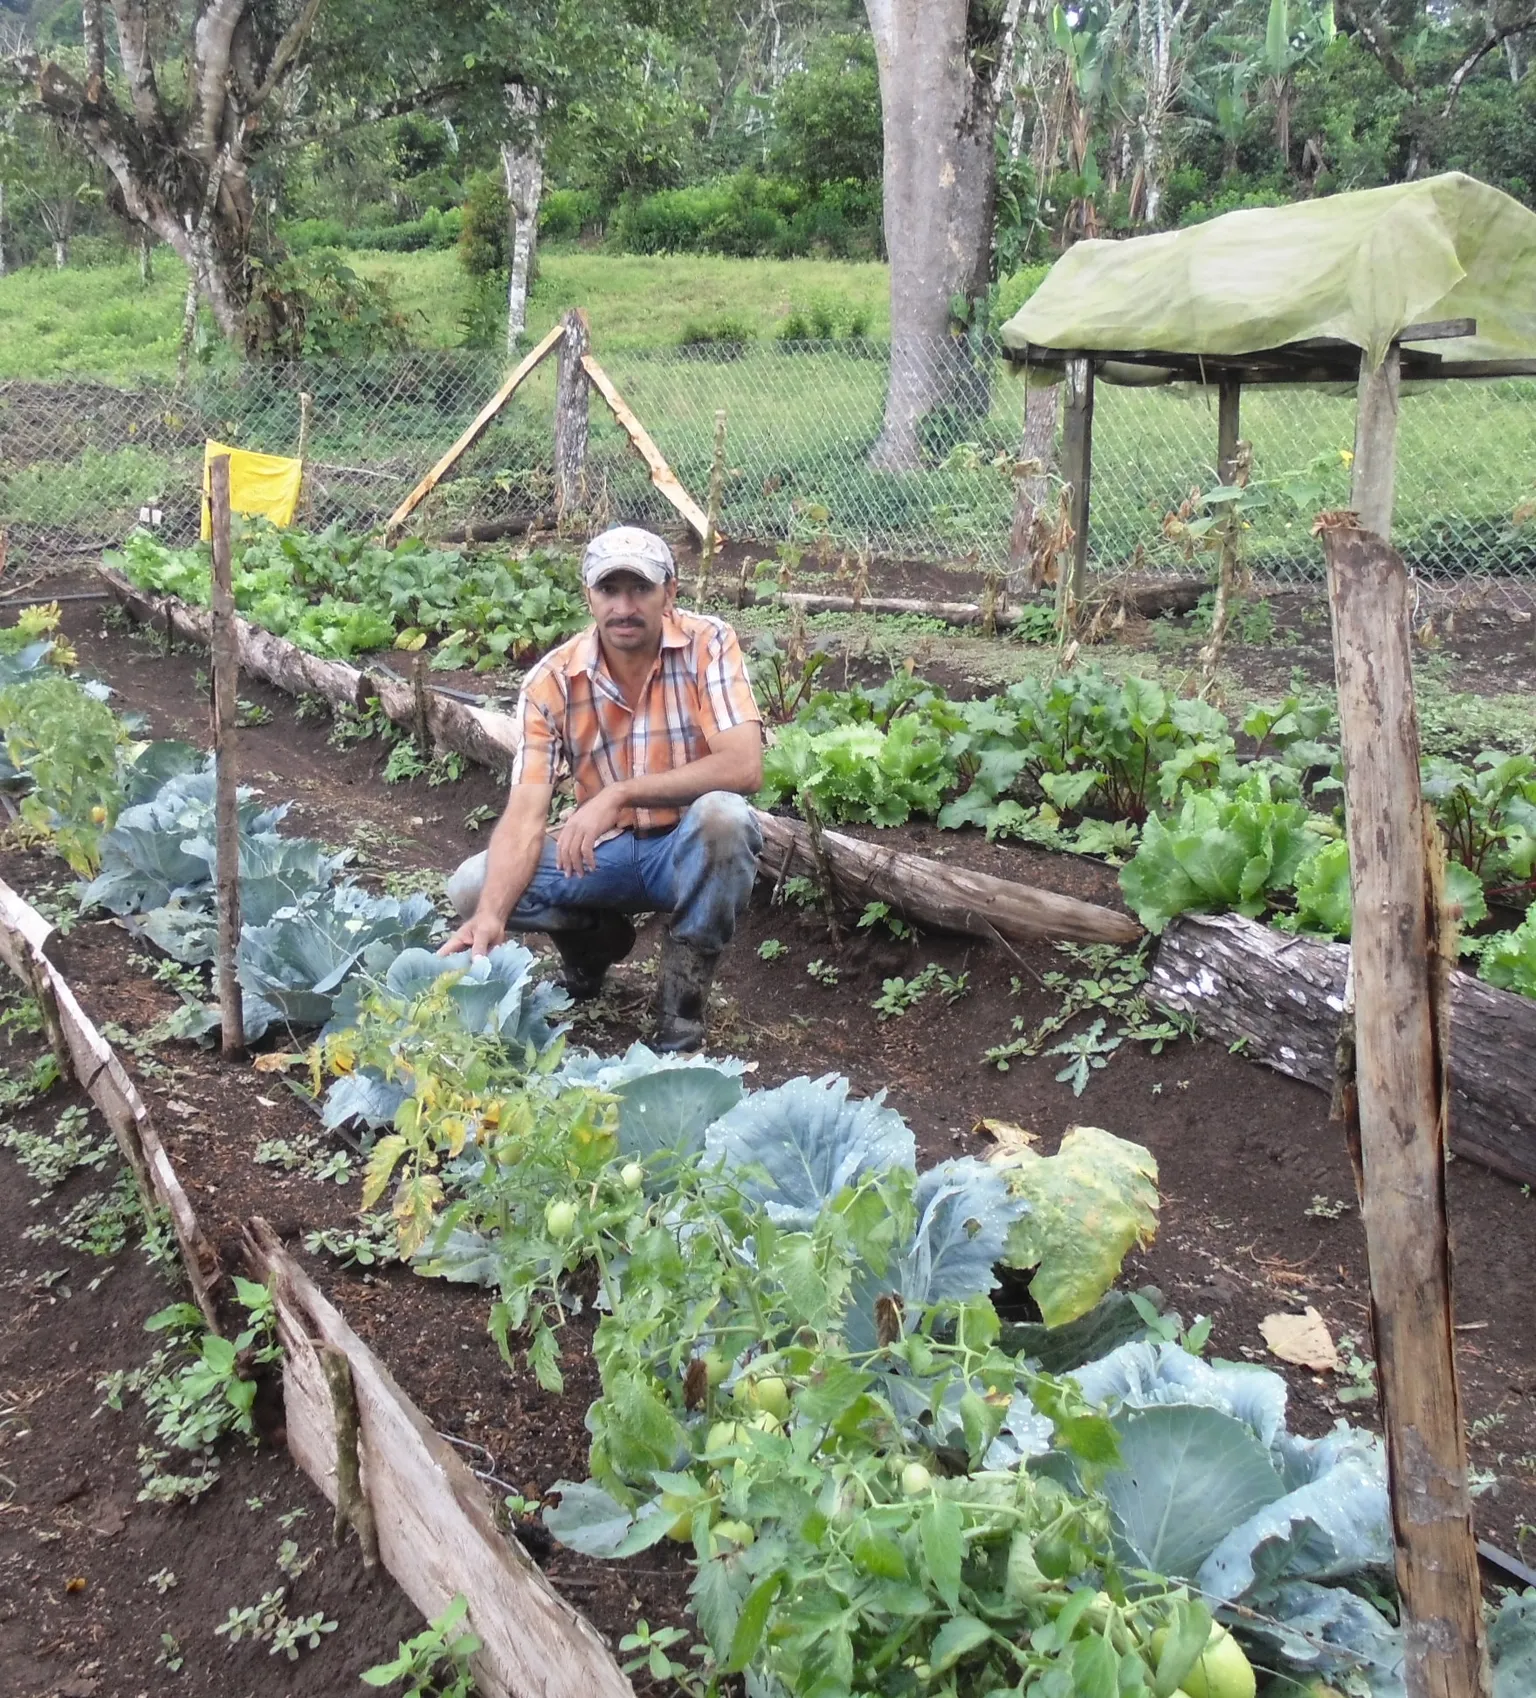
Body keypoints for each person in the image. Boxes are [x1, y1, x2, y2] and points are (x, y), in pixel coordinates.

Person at [440, 525, 764, 1053]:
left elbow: (744, 766)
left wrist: (618, 794)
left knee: (725, 817)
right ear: (589, 597)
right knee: (474, 887)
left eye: (640, 589)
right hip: (605, 854)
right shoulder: (552, 680)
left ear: (670, 593)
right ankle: (594, 946)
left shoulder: (708, 644)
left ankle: (682, 1006)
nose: (624, 606)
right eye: (608, 590)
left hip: (682, 852)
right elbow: (525, 815)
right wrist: (493, 917)